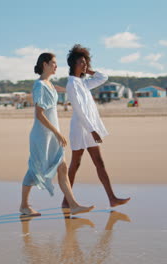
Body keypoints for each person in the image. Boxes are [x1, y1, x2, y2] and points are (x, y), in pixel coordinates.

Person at [20, 53, 95, 216]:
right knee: (34, 169)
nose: (56, 66)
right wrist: (57, 133)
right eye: (53, 63)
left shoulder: (50, 84)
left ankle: (73, 205)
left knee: (62, 167)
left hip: (52, 135)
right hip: (42, 136)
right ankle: (24, 206)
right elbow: (39, 114)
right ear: (45, 64)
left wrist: (56, 134)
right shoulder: (40, 85)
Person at [63, 44, 130, 208]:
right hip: (81, 129)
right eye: (81, 62)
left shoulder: (84, 82)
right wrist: (93, 131)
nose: (84, 65)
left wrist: (88, 70)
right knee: (75, 164)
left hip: (90, 129)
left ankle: (112, 198)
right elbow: (79, 111)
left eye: (86, 62)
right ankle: (66, 201)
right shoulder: (72, 84)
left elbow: (103, 77)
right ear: (73, 64)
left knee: (99, 163)